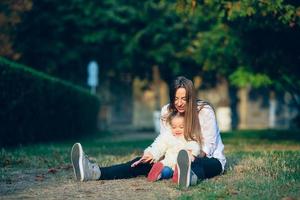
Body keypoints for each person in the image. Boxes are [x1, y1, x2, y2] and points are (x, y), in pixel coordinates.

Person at [71, 76, 226, 187]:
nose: (179, 103)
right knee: (141, 162)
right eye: (175, 98)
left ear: (191, 98)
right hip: (172, 159)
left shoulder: (204, 111)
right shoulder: (167, 111)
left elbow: (208, 148)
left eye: (184, 99)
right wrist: (152, 154)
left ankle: (187, 176)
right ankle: (95, 172)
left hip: (207, 159)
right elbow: (164, 140)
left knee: (197, 164)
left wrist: (189, 157)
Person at [144, 112, 200, 182]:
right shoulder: (169, 137)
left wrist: (192, 153)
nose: (177, 129)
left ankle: (171, 175)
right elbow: (160, 146)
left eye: (181, 127)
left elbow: (195, 146)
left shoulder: (188, 138)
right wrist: (152, 154)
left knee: (170, 171)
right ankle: (158, 174)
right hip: (168, 162)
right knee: (166, 170)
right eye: (174, 127)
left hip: (181, 164)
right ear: (170, 127)